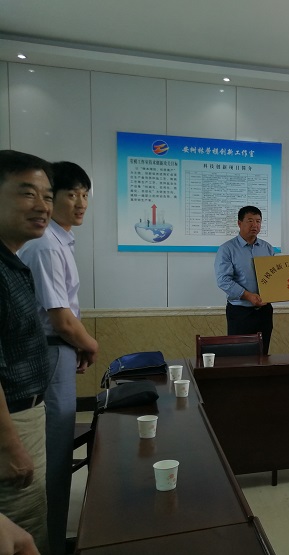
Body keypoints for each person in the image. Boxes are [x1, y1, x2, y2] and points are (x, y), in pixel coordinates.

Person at [18, 162, 98, 555]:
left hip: (59, 351)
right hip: (51, 353)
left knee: (60, 446)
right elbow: (61, 319)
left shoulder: (59, 240)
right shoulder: (46, 245)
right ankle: (48, 544)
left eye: (85, 194)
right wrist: (90, 344)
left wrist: (78, 344)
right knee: (54, 453)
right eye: (70, 194)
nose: (80, 202)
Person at [0, 150, 54, 555]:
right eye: (27, 193)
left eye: (47, 196)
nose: (42, 206)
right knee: (23, 532)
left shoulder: (12, 262)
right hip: (11, 423)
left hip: (25, 415)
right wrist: (10, 446)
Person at [214, 206, 274, 354]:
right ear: (239, 223)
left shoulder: (267, 248)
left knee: (262, 354)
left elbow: (274, 277)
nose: (255, 225)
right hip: (240, 313)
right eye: (250, 221)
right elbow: (223, 280)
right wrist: (248, 296)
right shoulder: (227, 249)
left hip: (264, 312)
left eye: (258, 221)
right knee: (239, 356)